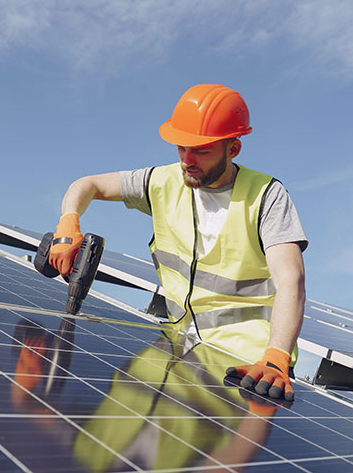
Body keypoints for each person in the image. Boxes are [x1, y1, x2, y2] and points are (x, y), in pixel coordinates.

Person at [48, 84, 307, 401]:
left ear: (233, 149)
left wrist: (276, 356)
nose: (187, 160)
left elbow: (291, 279)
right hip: (180, 347)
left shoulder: (266, 195)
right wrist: (68, 222)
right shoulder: (162, 181)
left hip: (249, 366)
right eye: (182, 147)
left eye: (201, 150)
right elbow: (87, 184)